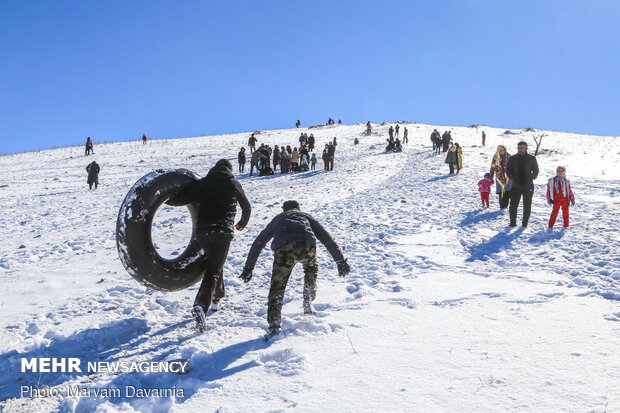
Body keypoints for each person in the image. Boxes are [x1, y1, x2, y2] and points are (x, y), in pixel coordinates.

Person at [239, 200, 350, 338]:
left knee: (277, 286)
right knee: (311, 268)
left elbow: (259, 241)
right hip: (307, 246)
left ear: (283, 209)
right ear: (298, 208)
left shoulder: (278, 219)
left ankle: (274, 324)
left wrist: (249, 267)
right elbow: (326, 238)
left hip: (284, 250)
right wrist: (340, 260)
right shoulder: (305, 216)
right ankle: (308, 301)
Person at [170, 159, 251, 331]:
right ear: (230, 169)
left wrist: (164, 198)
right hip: (223, 232)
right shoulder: (233, 184)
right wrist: (242, 223)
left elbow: (185, 198)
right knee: (213, 269)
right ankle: (201, 305)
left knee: (215, 264)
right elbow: (247, 207)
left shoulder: (204, 182)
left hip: (203, 231)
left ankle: (217, 297)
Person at [506, 141, 539, 227]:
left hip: (528, 185)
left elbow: (536, 170)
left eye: (522, 148)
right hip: (516, 185)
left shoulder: (531, 158)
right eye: (519, 148)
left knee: (527, 205)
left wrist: (530, 177)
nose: (520, 150)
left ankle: (524, 224)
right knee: (513, 205)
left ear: (526, 148)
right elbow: (508, 170)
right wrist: (513, 178)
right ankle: (512, 223)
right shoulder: (512, 158)